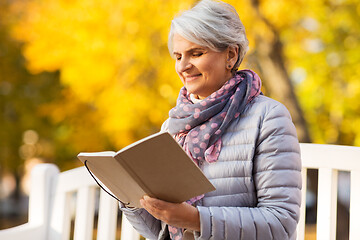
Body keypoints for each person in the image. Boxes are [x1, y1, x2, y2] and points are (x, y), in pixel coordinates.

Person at [120, 0, 302, 239]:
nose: (183, 66)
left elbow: (280, 223)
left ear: (231, 54)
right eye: (177, 56)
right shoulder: (173, 126)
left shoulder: (268, 118)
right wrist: (130, 197)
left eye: (196, 53)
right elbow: (160, 232)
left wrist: (194, 219)